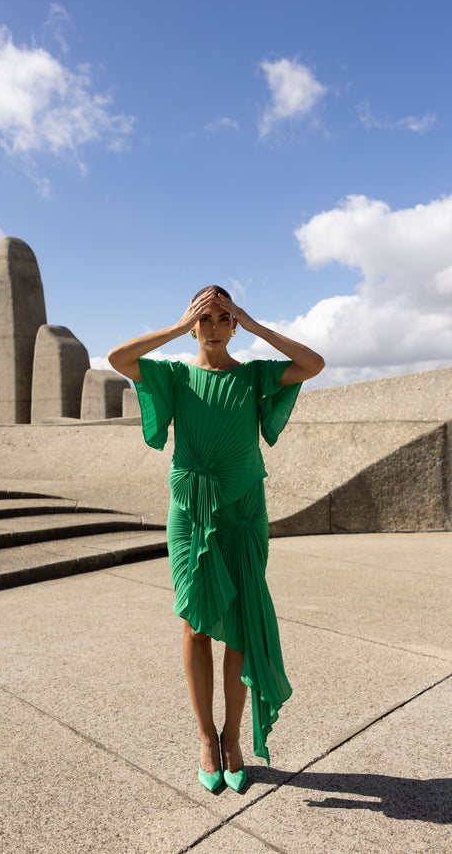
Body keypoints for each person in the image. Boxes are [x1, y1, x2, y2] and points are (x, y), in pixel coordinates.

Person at [107, 285, 324, 792]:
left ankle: (233, 738)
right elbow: (119, 357)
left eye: (222, 316)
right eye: (206, 316)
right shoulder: (174, 374)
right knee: (196, 624)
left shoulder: (254, 375)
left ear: (233, 325)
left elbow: (312, 363)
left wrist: (255, 323)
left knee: (243, 625)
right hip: (190, 508)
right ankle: (206, 737)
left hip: (244, 509)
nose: (213, 323)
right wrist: (179, 326)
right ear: (194, 321)